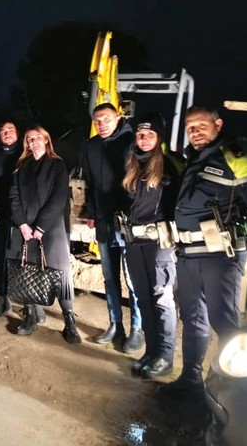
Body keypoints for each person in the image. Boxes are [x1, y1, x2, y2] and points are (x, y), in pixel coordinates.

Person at [161, 106, 247, 398]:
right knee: (193, 318)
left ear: (218, 124)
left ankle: (238, 392)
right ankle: (190, 380)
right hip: (189, 254)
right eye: (190, 127)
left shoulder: (234, 157)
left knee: (224, 322)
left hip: (220, 258)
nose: (194, 132)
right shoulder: (193, 160)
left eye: (201, 125)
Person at [119, 114, 181, 379]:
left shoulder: (170, 166)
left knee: (161, 298)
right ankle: (152, 351)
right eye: (140, 135)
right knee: (142, 297)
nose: (144, 139)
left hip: (159, 241)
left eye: (150, 135)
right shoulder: (132, 164)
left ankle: (165, 357)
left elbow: (179, 205)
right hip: (134, 240)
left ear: (159, 138)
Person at [8, 125, 82, 344]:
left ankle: (69, 320)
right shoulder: (21, 166)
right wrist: (22, 224)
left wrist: (40, 227)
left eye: (38, 137)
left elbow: (59, 198)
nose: (34, 141)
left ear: (47, 140)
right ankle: (31, 315)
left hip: (51, 228)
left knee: (60, 273)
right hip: (26, 228)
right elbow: (14, 196)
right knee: (29, 270)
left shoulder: (57, 165)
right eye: (30, 139)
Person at [82, 103, 143, 352]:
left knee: (133, 278)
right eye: (97, 121)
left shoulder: (132, 142)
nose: (101, 124)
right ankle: (115, 325)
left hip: (129, 223)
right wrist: (92, 212)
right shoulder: (91, 146)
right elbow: (90, 182)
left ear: (118, 117)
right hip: (104, 221)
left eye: (106, 119)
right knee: (109, 278)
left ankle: (137, 328)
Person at [0, 120, 23, 319]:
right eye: (2, 131)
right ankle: (2, 300)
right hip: (2, 214)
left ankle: (32, 306)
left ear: (18, 133)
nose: (6, 133)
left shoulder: (26, 153)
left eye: (10, 129)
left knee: (25, 260)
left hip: (24, 217)